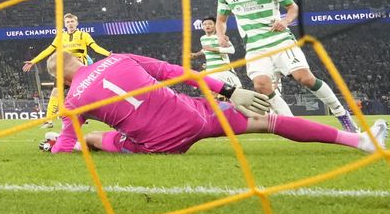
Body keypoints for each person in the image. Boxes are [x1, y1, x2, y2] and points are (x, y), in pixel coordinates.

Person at [41, 51, 386, 155]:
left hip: (157, 145)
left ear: (61, 80)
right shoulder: (117, 57)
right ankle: (360, 141)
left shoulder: (72, 99)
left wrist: (61, 143)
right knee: (270, 122)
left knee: (91, 138)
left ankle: (93, 142)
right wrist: (230, 91)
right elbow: (175, 71)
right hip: (195, 117)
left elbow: (65, 149)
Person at [216, 0, 357, 132]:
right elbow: (221, 20)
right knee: (261, 86)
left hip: (280, 40)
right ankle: (292, 124)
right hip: (254, 47)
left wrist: (285, 21)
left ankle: (341, 114)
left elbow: (292, 8)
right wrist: (221, 36)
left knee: (304, 78)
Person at [23, 13, 110, 128]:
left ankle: (86, 116)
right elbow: (49, 50)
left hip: (79, 70)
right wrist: (33, 61)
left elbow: (95, 47)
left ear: (76, 23)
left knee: (80, 95)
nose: (70, 24)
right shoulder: (61, 36)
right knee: (55, 93)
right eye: (68, 22)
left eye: (72, 21)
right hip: (64, 70)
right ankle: (49, 121)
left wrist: (109, 54)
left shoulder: (84, 35)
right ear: (65, 24)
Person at [191, 16, 242, 89]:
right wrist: (196, 54)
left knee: (238, 91)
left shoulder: (221, 37)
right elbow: (205, 49)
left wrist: (213, 49)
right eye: (205, 24)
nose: (207, 26)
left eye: (210, 24)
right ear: (202, 27)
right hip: (211, 71)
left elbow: (232, 50)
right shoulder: (203, 38)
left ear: (215, 26)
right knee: (214, 94)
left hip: (224, 69)